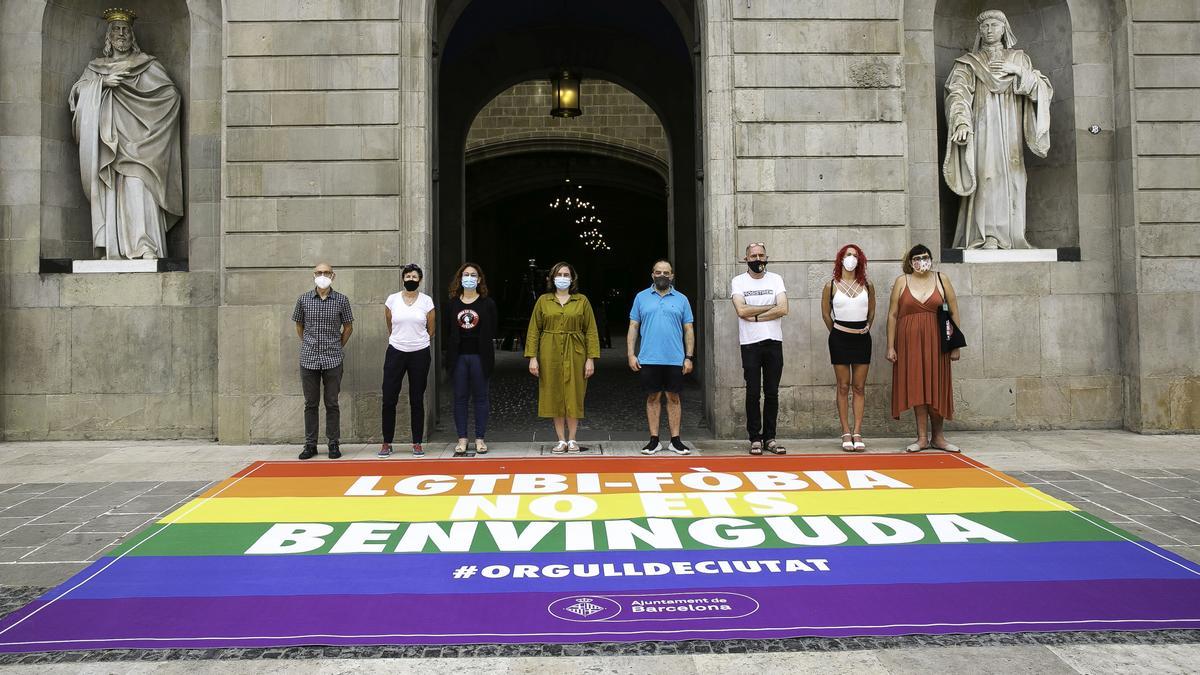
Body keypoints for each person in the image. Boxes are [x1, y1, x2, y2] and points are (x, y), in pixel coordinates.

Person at [69, 8, 183, 260]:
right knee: (112, 193)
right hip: (109, 146)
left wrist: (148, 123)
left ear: (132, 35)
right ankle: (114, 248)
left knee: (138, 188)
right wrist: (102, 85)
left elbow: (170, 96)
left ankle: (145, 246)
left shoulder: (147, 65)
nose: (121, 34)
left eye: (125, 30)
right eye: (116, 30)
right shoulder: (96, 69)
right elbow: (76, 97)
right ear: (108, 37)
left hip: (141, 147)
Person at [943, 9, 1052, 250]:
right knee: (987, 175)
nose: (989, 29)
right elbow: (957, 92)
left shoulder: (1019, 59)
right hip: (983, 127)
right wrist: (961, 120)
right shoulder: (969, 63)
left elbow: (1041, 89)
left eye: (994, 24)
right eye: (984, 26)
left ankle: (1013, 235)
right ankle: (987, 236)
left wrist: (1019, 73)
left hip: (1010, 127)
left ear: (1004, 29)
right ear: (979, 32)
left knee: (1014, 176)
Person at [886, 245, 962, 453]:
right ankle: (921, 438)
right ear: (911, 262)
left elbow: (954, 311)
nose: (922, 261)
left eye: (926, 257)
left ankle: (938, 437)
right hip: (909, 343)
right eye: (917, 258)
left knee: (936, 386)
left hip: (938, 342)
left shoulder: (941, 279)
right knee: (917, 387)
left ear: (931, 259)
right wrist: (890, 346)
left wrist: (955, 345)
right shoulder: (902, 281)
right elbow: (892, 314)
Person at [525, 262, 601, 454]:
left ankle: (573, 438)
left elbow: (591, 331)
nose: (563, 277)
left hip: (576, 351)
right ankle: (561, 440)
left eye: (566, 274)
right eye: (559, 274)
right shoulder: (543, 300)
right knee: (554, 393)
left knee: (574, 393)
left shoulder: (582, 301)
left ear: (572, 278)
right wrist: (533, 357)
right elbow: (534, 330)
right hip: (549, 351)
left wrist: (591, 358)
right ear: (551, 278)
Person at [628, 260, 695, 456]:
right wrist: (631, 354)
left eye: (666, 272)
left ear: (672, 276)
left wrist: (689, 357)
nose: (662, 276)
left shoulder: (682, 299)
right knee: (653, 397)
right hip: (649, 357)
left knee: (674, 397)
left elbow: (688, 329)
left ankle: (675, 440)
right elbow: (633, 326)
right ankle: (654, 440)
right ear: (652, 274)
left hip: (675, 358)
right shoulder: (641, 298)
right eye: (658, 272)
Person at [731, 243, 788, 455]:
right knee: (753, 392)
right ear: (746, 258)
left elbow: (784, 308)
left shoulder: (776, 279)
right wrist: (770, 307)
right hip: (750, 343)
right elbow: (740, 310)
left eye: (761, 255)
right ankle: (755, 437)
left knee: (772, 392)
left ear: (767, 257)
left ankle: (770, 438)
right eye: (753, 256)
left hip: (773, 341)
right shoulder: (739, 281)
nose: (757, 259)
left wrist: (754, 315)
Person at [292, 263, 354, 460]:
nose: (322, 275)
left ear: (333, 276)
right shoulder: (303, 300)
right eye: (319, 272)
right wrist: (309, 344)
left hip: (333, 358)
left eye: (326, 272)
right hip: (308, 358)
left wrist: (337, 345)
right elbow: (299, 325)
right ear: (313, 275)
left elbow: (348, 327)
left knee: (332, 402)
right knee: (310, 403)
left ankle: (333, 443)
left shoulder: (342, 300)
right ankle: (310, 444)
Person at [821, 244, 876, 452]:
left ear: (860, 260)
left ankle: (857, 431)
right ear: (840, 259)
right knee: (843, 386)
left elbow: (871, 311)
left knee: (859, 387)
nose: (851, 258)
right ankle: (845, 431)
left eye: (855, 255)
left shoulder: (868, 285)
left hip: (862, 339)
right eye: (848, 255)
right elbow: (826, 314)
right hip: (839, 339)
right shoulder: (831, 285)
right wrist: (837, 332)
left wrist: (867, 326)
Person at [381, 264, 435, 458]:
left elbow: (431, 329)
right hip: (396, 351)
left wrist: (417, 341)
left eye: (414, 277)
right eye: (408, 276)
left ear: (420, 280)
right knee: (389, 398)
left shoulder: (427, 301)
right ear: (403, 279)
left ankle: (417, 443)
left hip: (420, 352)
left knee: (416, 399)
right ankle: (387, 442)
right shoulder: (392, 300)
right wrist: (400, 339)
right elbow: (390, 324)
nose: (411, 279)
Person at [445, 262, 498, 457]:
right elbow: (448, 330)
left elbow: (493, 328)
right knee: (459, 398)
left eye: (473, 275)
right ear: (460, 278)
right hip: (459, 357)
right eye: (465, 274)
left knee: (481, 397)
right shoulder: (452, 303)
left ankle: (480, 438)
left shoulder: (487, 303)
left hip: (479, 356)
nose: (469, 278)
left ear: (479, 279)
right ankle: (462, 439)